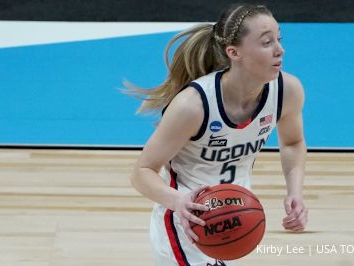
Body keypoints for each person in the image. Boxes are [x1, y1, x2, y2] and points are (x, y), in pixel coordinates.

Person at [127, 3, 308, 266]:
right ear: (234, 52)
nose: (280, 50)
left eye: (279, 39)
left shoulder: (287, 91)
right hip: (186, 223)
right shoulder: (193, 105)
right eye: (267, 42)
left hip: (234, 218)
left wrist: (295, 192)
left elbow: (293, 142)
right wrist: (179, 201)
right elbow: (141, 172)